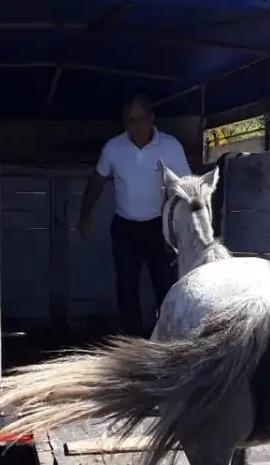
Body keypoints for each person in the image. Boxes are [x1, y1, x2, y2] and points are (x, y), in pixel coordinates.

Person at [78, 93, 192, 337]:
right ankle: (132, 344)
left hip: (159, 229)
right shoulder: (113, 148)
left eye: (141, 119)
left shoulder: (171, 147)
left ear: (152, 118)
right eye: (131, 120)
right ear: (124, 121)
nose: (137, 126)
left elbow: (186, 188)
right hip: (125, 229)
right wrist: (85, 215)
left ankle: (167, 341)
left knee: (165, 287)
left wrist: (183, 229)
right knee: (127, 289)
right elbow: (97, 182)